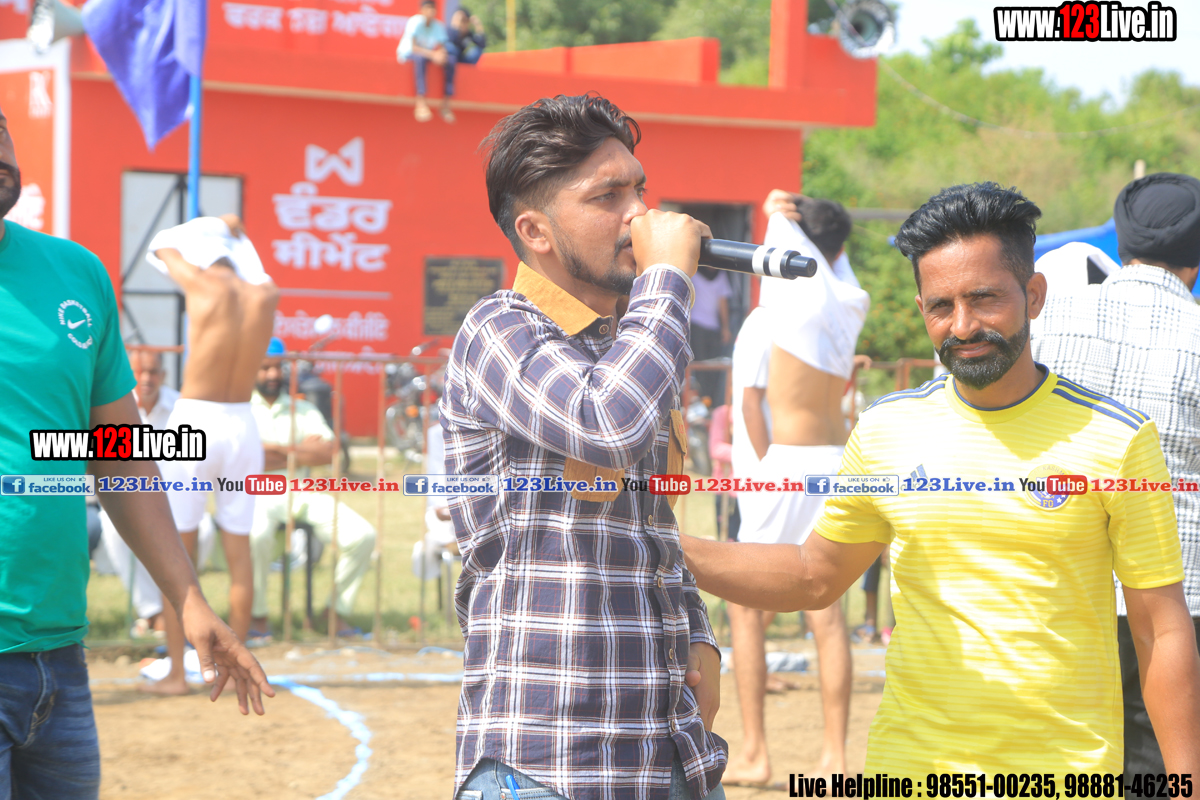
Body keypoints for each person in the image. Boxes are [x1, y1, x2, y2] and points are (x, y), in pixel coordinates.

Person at [682, 181, 1200, 777]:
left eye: (985, 299)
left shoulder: (1119, 438)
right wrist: (663, 546)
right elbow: (813, 575)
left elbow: (1160, 629)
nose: (963, 325)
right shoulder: (886, 430)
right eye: (940, 306)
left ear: (1034, 295)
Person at [441, 93, 726, 800]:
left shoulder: (635, 340)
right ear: (535, 231)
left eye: (640, 189)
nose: (640, 215)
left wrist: (699, 632)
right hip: (548, 762)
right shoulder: (499, 329)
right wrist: (667, 281)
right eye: (607, 197)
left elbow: (648, 524)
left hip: (668, 753)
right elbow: (608, 424)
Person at [0, 103, 272, 798]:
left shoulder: (76, 273)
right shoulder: (253, 290)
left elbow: (118, 453)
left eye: (0, 128)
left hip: (57, 653)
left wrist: (188, 597)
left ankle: (183, 652)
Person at [1032, 172, 1200, 776]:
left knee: (1059, 766)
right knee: (1158, 767)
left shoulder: (1047, 319)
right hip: (1179, 601)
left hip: (1058, 590)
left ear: (1122, 242)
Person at [721, 191, 864, 786]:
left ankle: (756, 753)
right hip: (837, 457)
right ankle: (835, 760)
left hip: (789, 463)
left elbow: (778, 224)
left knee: (744, 606)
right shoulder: (850, 298)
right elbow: (829, 248)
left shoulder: (792, 292)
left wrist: (778, 208)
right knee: (826, 612)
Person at [142, 213, 279, 695]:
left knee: (178, 554)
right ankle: (234, 668)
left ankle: (178, 674)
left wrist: (211, 224)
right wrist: (235, 231)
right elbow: (254, 265)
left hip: (194, 421)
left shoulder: (201, 283)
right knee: (239, 553)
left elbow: (161, 244)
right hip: (243, 423)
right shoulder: (265, 293)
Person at [248, 339, 377, 638]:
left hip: (304, 492)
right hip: (257, 494)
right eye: (265, 367)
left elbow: (328, 452)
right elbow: (245, 458)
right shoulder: (241, 409)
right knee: (256, 536)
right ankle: (257, 617)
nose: (273, 374)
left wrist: (274, 451)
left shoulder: (302, 408)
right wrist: (299, 452)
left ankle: (334, 613)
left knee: (363, 536)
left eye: (278, 367)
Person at [98, 348, 180, 636]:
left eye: (153, 372)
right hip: (125, 498)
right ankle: (154, 612)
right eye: (139, 372)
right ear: (127, 373)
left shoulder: (180, 406)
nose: (146, 378)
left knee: (203, 530)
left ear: (164, 375)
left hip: (174, 498)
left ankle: (177, 608)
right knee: (113, 526)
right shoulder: (110, 406)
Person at [397, 0, 456, 123]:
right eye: (428, 8)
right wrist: (434, 55)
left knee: (450, 60)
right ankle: (421, 102)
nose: (431, 11)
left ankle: (445, 104)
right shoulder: (414, 22)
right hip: (409, 54)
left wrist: (441, 55)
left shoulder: (438, 26)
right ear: (421, 10)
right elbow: (414, 48)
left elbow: (442, 47)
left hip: (428, 55)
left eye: (433, 8)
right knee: (420, 59)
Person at [690, 265, 733, 406]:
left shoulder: (720, 275)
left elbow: (722, 302)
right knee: (699, 365)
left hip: (713, 327)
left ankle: (709, 400)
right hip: (696, 325)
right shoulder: (694, 274)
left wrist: (725, 328)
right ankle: (701, 399)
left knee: (713, 366)